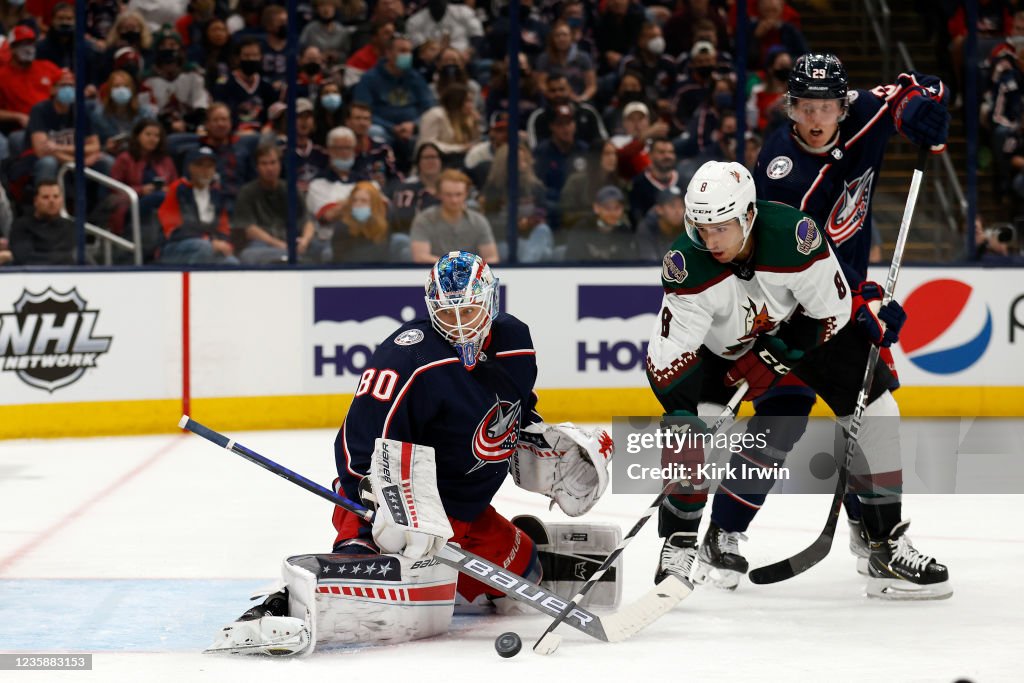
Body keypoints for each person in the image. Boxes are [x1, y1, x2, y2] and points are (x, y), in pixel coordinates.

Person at [208, 251, 613, 655]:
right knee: (358, 575)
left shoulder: (516, 343)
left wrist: (538, 438)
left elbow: (516, 407)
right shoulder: (408, 356)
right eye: (447, 314)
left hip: (464, 513)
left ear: (491, 302)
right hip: (396, 504)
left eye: (470, 311)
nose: (459, 326)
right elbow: (357, 443)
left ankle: (513, 546)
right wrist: (382, 506)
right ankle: (281, 606)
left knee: (527, 573)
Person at [647, 160, 951, 601]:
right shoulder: (685, 266)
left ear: (749, 216)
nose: (711, 241)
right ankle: (679, 542)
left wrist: (776, 355)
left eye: (722, 228)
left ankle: (885, 545)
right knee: (693, 430)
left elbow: (833, 310)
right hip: (723, 352)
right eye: (701, 228)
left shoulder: (795, 239)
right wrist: (683, 424)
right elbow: (669, 363)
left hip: (799, 331)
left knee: (879, 410)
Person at [750, 53, 950, 574]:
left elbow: (922, 86)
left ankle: (870, 534)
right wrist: (862, 304)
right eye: (805, 108)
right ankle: (884, 548)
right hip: (794, 311)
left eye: (826, 108)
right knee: (868, 412)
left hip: (841, 296)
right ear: (789, 108)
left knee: (864, 413)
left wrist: (920, 109)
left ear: (844, 106)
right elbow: (790, 274)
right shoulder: (784, 177)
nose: (815, 121)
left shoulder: (864, 112)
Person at [234, 144, 318, 264]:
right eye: (264, 163)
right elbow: (249, 229)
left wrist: (304, 241)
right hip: (264, 244)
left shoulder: (291, 189)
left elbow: (308, 221)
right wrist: (280, 245)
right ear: (257, 167)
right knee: (249, 254)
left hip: (293, 241)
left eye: (273, 163)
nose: (269, 168)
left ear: (279, 164)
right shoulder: (247, 192)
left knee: (322, 249)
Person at [156, 146, 239, 265]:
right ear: (189, 167)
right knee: (203, 247)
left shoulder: (217, 194)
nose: (205, 170)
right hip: (174, 246)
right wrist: (209, 241)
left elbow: (223, 227)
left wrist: (225, 244)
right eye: (200, 165)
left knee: (232, 262)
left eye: (210, 166)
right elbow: (173, 228)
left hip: (208, 245)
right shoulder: (178, 189)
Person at [109, 117, 178, 256]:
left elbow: (175, 185)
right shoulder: (125, 158)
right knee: (159, 197)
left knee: (163, 198)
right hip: (131, 206)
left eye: (156, 136)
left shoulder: (166, 160)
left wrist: (167, 190)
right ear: (138, 136)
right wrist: (142, 190)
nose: (152, 139)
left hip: (161, 206)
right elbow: (113, 187)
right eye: (148, 134)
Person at [410, 169, 499, 263]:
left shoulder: (479, 221)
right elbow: (420, 257)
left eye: (458, 194)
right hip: (432, 274)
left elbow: (492, 257)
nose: (454, 200)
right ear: (439, 194)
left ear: (466, 194)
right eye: (448, 195)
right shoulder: (424, 220)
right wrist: (457, 266)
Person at [9, 180, 76, 265]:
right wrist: (62, 258)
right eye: (45, 197)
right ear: (36, 201)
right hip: (31, 276)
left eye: (56, 196)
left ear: (62, 200)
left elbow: (74, 257)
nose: (52, 201)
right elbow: (24, 258)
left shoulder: (70, 226)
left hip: (67, 276)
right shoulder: (21, 226)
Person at [565, 184, 635, 261]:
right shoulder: (582, 229)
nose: (613, 213)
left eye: (617, 208)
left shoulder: (624, 231)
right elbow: (572, 262)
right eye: (607, 208)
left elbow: (628, 264)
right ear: (596, 208)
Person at [387, 141, 443, 236]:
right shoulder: (406, 189)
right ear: (418, 162)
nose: (431, 161)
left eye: (434, 157)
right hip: (412, 236)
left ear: (441, 161)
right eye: (426, 157)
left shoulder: (449, 188)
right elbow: (403, 219)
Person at [330, 180, 392, 263]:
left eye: (364, 201)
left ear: (374, 204)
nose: (358, 204)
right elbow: (341, 258)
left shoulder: (384, 225)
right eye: (354, 201)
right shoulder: (342, 227)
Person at [635, 185, 685, 261]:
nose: (678, 211)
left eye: (681, 206)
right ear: (659, 209)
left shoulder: (689, 226)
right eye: (672, 206)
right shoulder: (647, 227)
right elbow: (649, 263)